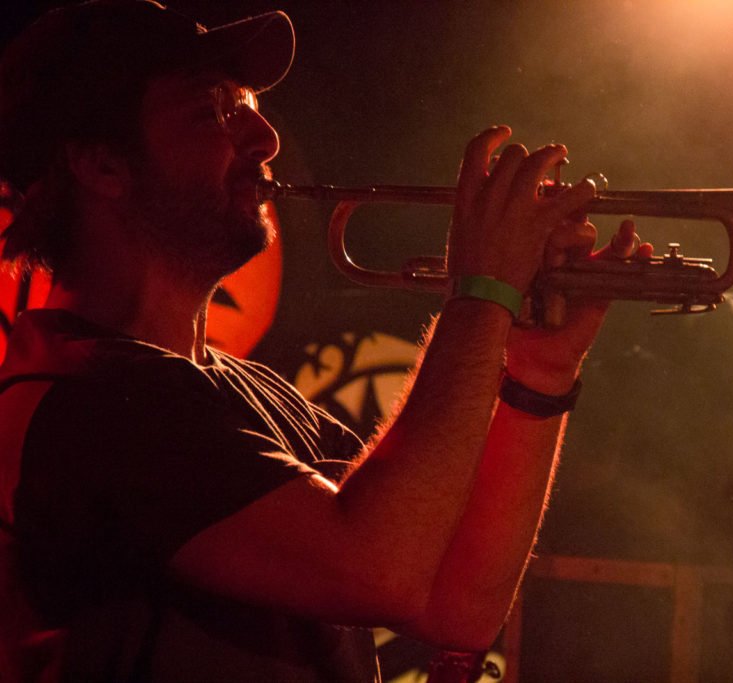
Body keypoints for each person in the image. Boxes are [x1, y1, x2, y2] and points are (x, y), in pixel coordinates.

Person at [0, 1, 650, 680]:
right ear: (101, 164)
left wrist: (537, 371)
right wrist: (483, 290)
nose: (266, 138)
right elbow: (381, 568)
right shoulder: (85, 402)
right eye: (216, 109)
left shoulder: (235, 392)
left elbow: (457, 605)